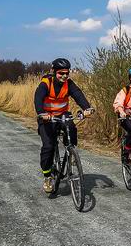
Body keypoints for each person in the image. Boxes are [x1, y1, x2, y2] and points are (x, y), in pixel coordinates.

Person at [34, 58, 93, 193]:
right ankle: (47, 176)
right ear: (54, 72)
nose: (64, 76)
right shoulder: (45, 84)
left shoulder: (69, 83)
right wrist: (41, 113)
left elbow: (78, 95)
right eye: (61, 73)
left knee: (71, 127)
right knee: (48, 146)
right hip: (47, 117)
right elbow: (38, 98)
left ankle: (71, 151)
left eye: (67, 73)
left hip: (62, 114)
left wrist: (87, 108)